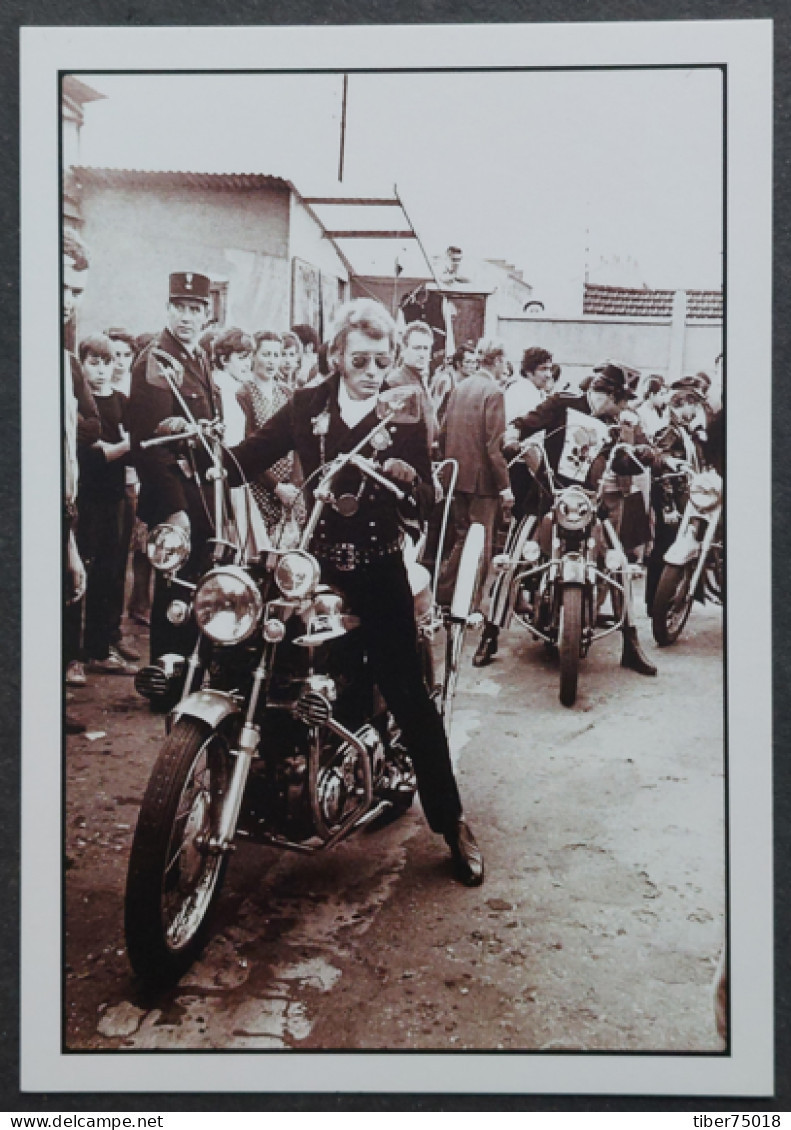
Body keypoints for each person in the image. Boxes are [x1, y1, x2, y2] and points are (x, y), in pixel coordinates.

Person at [226, 298, 484, 886]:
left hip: (377, 565)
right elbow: (249, 456)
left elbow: (427, 500)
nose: (372, 370)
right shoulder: (306, 404)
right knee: (260, 662)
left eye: (381, 360)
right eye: (360, 359)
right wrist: (201, 452)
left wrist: (409, 478)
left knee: (407, 692)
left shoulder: (405, 412)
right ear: (336, 355)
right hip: (312, 566)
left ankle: (451, 822)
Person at [474, 362, 657, 676]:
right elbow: (523, 423)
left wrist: (643, 455)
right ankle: (490, 636)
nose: (618, 408)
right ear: (605, 394)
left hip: (587, 503)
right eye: (616, 400)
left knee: (618, 565)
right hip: (547, 495)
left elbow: (623, 462)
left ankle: (630, 642)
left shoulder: (614, 423)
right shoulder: (563, 402)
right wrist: (512, 439)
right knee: (515, 558)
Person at [127, 271, 220, 666]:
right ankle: (166, 677)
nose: (186, 316)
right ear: (167, 309)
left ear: (207, 314)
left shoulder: (197, 355)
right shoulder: (156, 361)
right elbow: (148, 447)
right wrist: (175, 509)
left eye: (194, 309)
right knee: (174, 589)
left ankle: (188, 671)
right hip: (176, 496)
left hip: (200, 490)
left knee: (195, 583)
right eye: (179, 308)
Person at [75, 334, 137, 675]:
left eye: (107, 363)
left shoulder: (119, 400)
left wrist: (118, 448)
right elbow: (93, 455)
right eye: (94, 364)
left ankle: (103, 644)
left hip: (114, 496)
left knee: (111, 572)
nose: (100, 371)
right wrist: (125, 446)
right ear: (82, 365)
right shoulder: (84, 405)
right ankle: (80, 651)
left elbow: (115, 449)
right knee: (85, 569)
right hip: (87, 498)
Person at [436, 338, 514, 612]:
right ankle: (469, 603)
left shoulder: (460, 387)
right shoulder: (494, 392)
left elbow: (442, 432)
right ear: (498, 361)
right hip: (483, 481)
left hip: (457, 476)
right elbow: (495, 445)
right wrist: (505, 485)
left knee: (461, 537)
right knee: (481, 543)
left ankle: (445, 594)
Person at [63, 232, 101, 728]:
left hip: (59, 508)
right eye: (62, 287)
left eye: (77, 293)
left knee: (63, 599)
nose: (68, 302)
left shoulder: (67, 361)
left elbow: (84, 428)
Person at [237, 331, 304, 546]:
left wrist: (294, 486)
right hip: (258, 486)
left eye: (277, 355)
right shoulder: (244, 393)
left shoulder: (287, 393)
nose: (272, 361)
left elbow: (297, 443)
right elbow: (248, 447)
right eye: (266, 354)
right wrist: (276, 487)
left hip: (288, 490)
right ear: (254, 356)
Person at [388, 321, 438, 449]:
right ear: (404, 350)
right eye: (416, 348)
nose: (422, 354)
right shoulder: (396, 383)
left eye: (426, 348)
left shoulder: (421, 380)